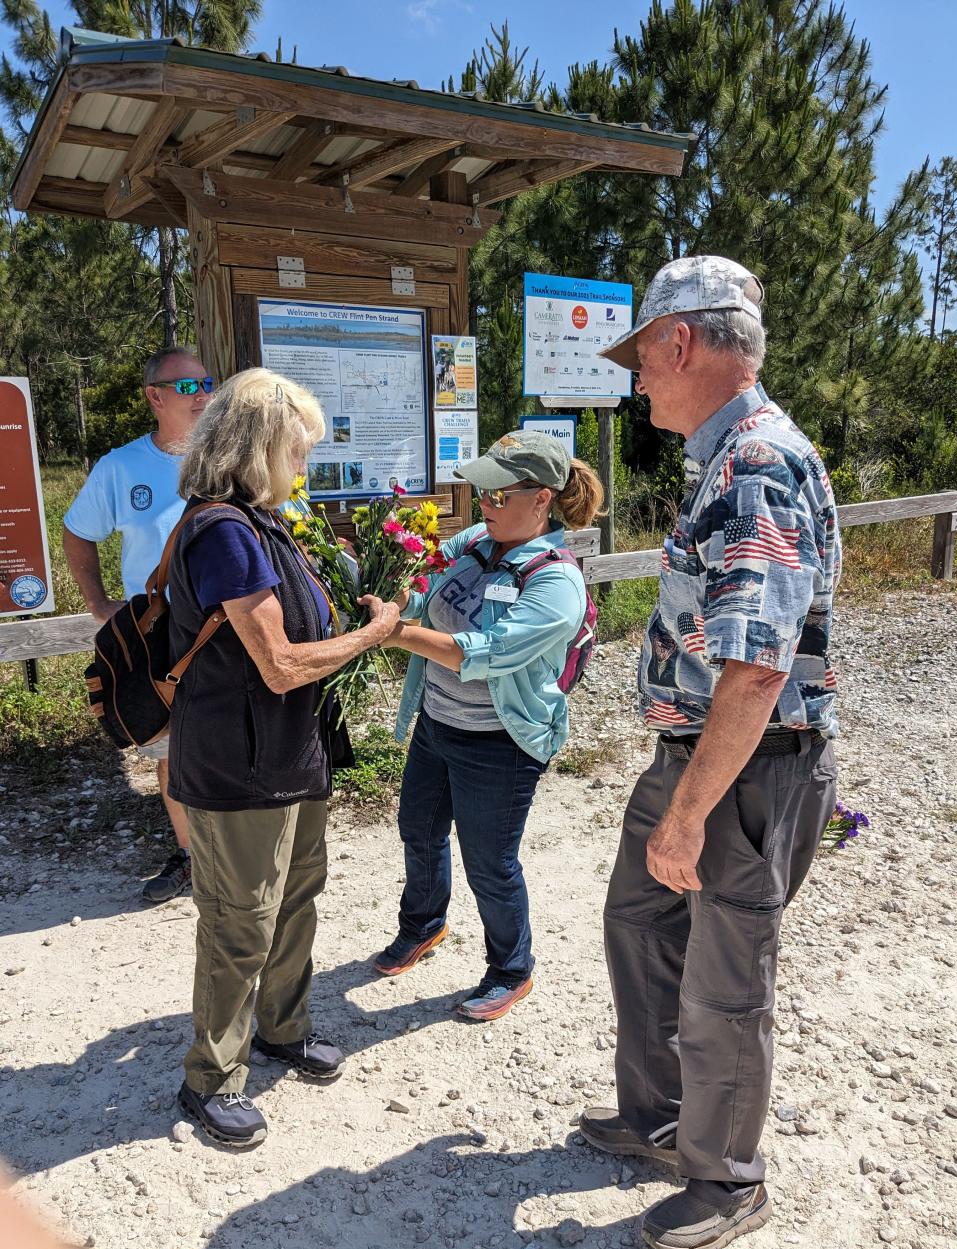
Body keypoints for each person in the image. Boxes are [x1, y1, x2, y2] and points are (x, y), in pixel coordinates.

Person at [578, 256, 841, 1249]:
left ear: (680, 341)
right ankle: (659, 1118)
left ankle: (726, 1177)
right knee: (639, 920)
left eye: (643, 356)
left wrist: (689, 812)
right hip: (703, 753)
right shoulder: (725, 458)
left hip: (745, 766)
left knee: (725, 983)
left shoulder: (757, 463)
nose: (638, 377)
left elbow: (757, 670)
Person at [167, 367, 399, 1147]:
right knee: (239, 922)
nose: (303, 466)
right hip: (239, 769)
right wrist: (376, 633)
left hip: (291, 757)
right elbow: (279, 664)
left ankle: (283, 1029)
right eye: (297, 451)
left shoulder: (260, 524)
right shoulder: (225, 532)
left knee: (295, 900)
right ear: (262, 446)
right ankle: (211, 1079)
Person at [374, 433, 604, 1021]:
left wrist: (392, 632)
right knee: (418, 830)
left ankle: (511, 968)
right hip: (437, 721)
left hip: (499, 744)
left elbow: (486, 653)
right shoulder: (475, 541)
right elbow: (425, 588)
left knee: (490, 862)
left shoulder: (557, 583)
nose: (487, 504)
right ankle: (423, 925)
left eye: (502, 494)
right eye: (484, 491)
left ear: (543, 499)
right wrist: (396, 591)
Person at [63, 347, 214, 904]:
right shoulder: (121, 467)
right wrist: (101, 606)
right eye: (187, 387)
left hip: (230, 627)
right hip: (158, 633)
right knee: (168, 747)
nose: (202, 396)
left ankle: (238, 852)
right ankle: (192, 856)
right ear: (155, 396)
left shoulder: (229, 459)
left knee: (233, 737)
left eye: (207, 384)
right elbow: (78, 532)